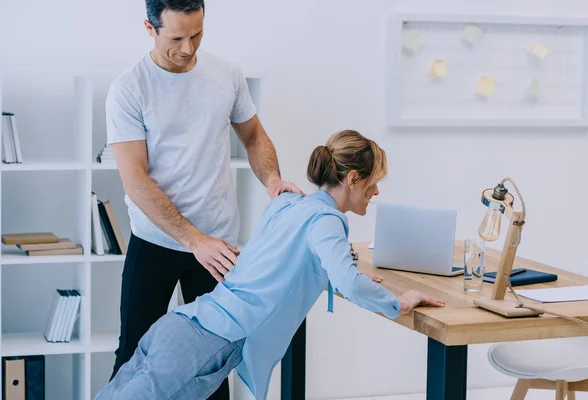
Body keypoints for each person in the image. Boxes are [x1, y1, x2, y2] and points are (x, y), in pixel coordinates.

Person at [94, 130, 445, 400]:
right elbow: (348, 283)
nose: (377, 192)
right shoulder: (326, 220)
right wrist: (398, 303)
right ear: (353, 179)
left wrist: (336, 275)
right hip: (209, 340)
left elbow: (281, 264)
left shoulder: (288, 204)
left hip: (183, 322)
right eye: (374, 182)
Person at [105, 0, 301, 397]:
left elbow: (253, 136)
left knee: (211, 361)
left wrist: (273, 178)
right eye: (177, 37)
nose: (188, 48)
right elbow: (135, 180)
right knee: (133, 357)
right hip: (158, 242)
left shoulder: (225, 74)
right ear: (150, 28)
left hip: (219, 243)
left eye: (197, 34)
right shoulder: (129, 88)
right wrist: (194, 241)